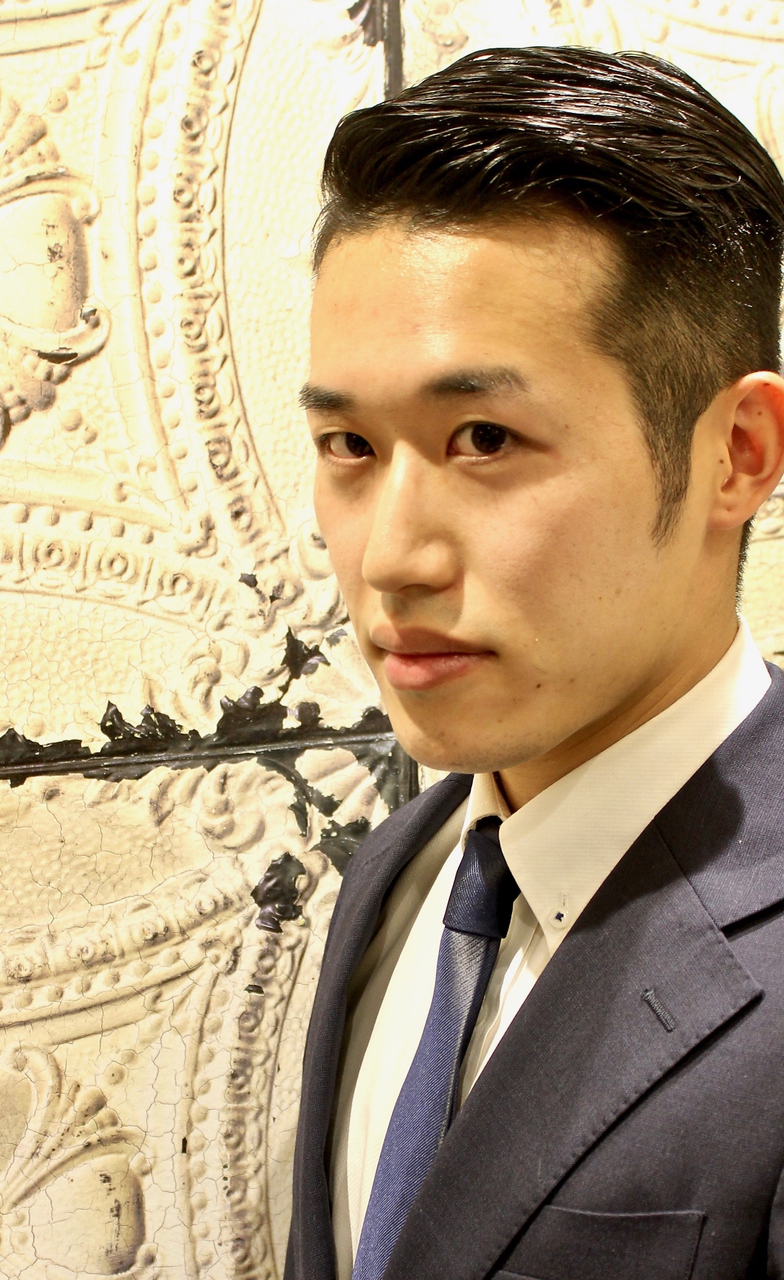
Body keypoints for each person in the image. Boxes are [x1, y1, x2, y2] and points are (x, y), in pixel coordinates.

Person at [285, 46, 784, 1280]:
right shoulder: (404, 869)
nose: (389, 557)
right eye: (348, 444)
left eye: (484, 437)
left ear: (736, 453)